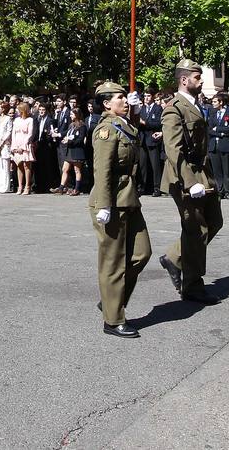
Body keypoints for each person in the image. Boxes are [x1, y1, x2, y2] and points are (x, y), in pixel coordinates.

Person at [158, 58, 221, 305]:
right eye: (197, 77)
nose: (201, 80)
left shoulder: (194, 104)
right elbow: (173, 149)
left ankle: (174, 257)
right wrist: (189, 181)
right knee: (197, 229)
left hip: (202, 171)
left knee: (215, 221)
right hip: (185, 175)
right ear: (184, 80)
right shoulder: (174, 108)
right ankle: (193, 286)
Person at [90, 81, 151, 338]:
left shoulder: (124, 124)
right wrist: (104, 204)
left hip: (129, 198)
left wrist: (136, 112)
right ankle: (113, 320)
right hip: (112, 201)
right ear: (106, 104)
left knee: (141, 254)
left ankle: (110, 299)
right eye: (120, 98)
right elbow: (102, 170)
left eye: (126, 97)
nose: (125, 101)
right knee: (113, 263)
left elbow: (136, 138)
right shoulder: (105, 130)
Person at [206, 93, 229, 199]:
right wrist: (220, 133)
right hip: (214, 144)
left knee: (227, 169)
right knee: (216, 169)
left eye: (215, 102)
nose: (213, 104)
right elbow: (209, 129)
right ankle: (219, 189)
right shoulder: (213, 112)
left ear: (221, 102)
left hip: (225, 144)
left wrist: (217, 129)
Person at [54, 109, 87, 195]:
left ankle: (77, 189)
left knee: (77, 170)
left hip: (77, 151)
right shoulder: (71, 125)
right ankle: (61, 187)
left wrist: (69, 141)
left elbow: (80, 139)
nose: (70, 116)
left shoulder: (82, 126)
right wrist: (62, 137)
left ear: (77, 115)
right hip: (69, 151)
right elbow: (67, 134)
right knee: (65, 169)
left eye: (72, 114)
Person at [138, 92, 164, 198]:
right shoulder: (142, 108)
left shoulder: (158, 109)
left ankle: (157, 187)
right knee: (142, 165)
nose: (146, 98)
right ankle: (142, 187)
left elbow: (158, 123)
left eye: (148, 96)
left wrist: (145, 123)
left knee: (155, 165)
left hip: (153, 139)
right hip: (143, 139)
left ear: (152, 97)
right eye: (144, 96)